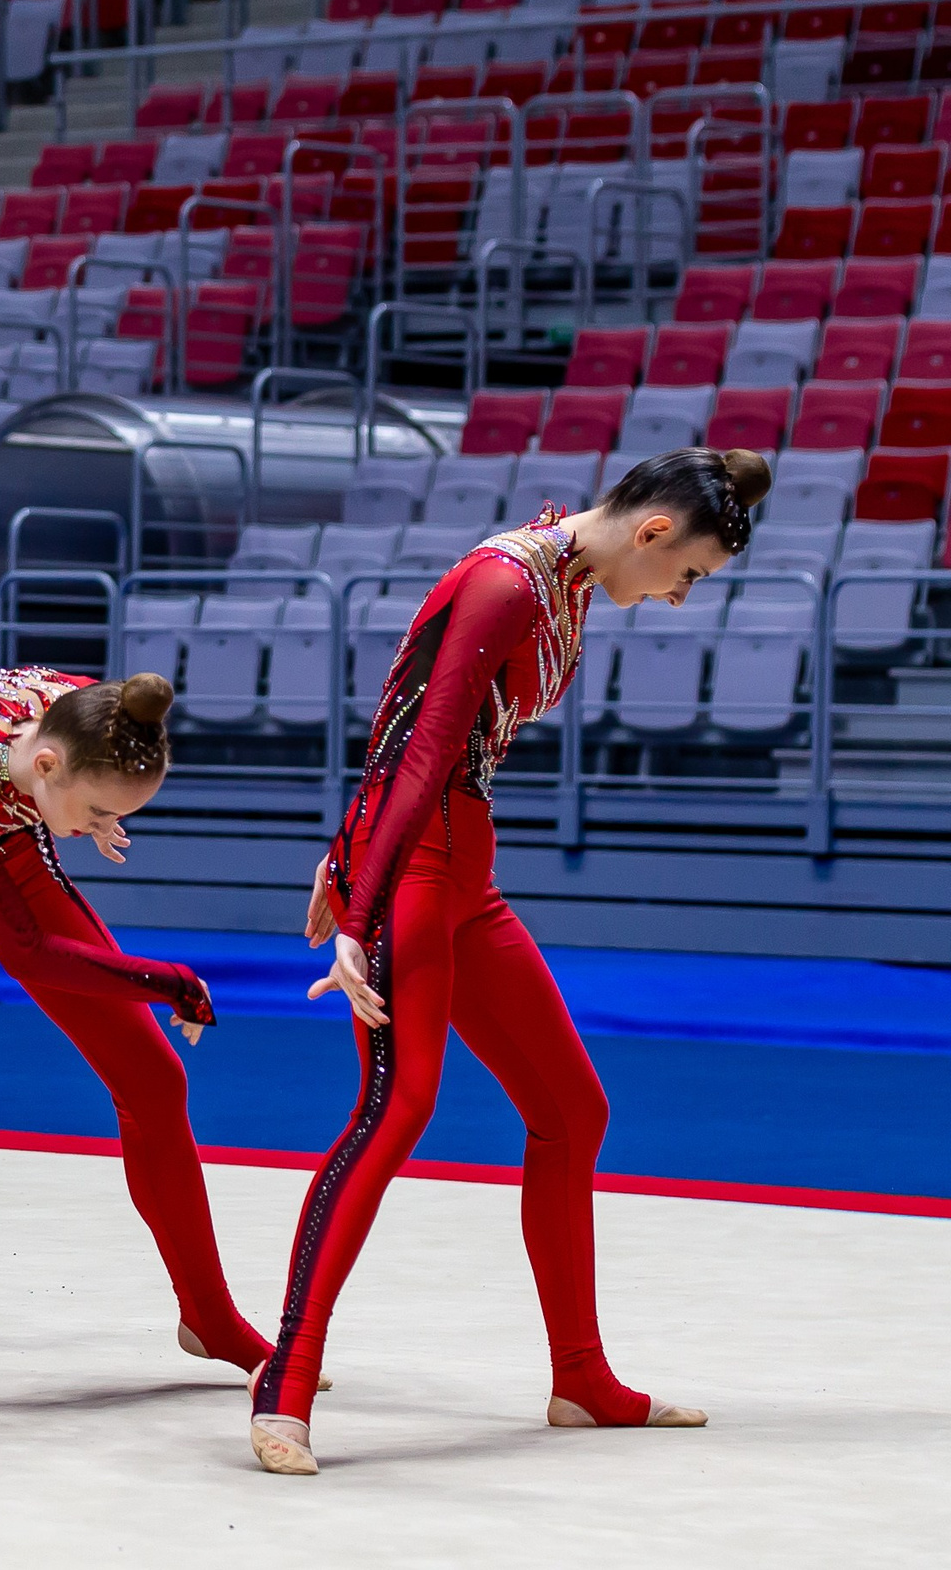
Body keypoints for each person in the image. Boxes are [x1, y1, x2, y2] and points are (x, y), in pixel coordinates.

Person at [247, 447, 755, 1475]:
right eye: (688, 575)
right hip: (415, 864)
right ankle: (284, 1382)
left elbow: (408, 720)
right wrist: (360, 898)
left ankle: (581, 1378)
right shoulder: (507, 580)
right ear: (653, 532)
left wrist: (347, 849)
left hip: (454, 861)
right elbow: (424, 742)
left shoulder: (561, 576)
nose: (674, 599)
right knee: (398, 1107)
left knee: (572, 1111)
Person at [0, 669, 280, 1426]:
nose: (102, 825)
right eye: (101, 811)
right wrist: (166, 978)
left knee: (154, 1076)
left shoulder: (92, 716)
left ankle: (208, 1317)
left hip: (8, 839)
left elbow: (86, 779)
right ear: (47, 767)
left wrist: (94, 809)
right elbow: (29, 953)